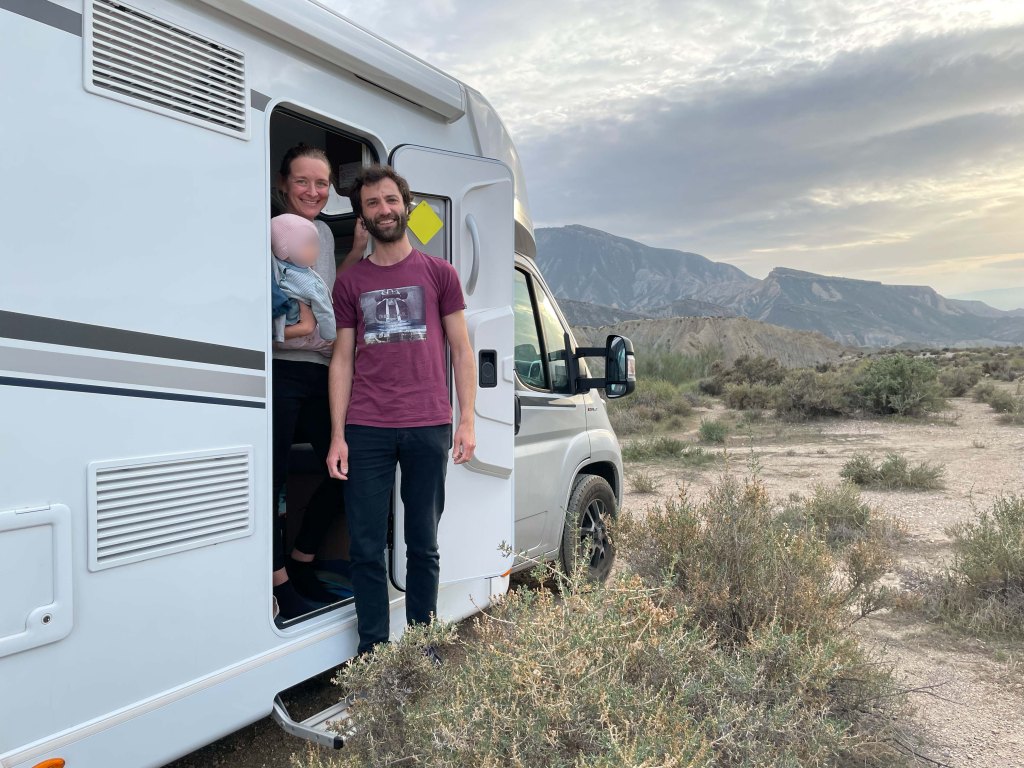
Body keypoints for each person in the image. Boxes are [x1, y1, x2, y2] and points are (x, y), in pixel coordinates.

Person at [327, 164, 476, 657]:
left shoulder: (440, 274)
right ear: (363, 217)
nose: (384, 210)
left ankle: (422, 649)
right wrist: (337, 434)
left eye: (391, 200)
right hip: (366, 427)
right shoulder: (350, 283)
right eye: (372, 203)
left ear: (406, 206)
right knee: (365, 547)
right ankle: (374, 652)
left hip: (428, 423)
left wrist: (467, 419)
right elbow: (342, 359)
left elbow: (462, 350)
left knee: (423, 545)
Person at [271, 144, 368, 620]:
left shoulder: (324, 234)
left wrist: (357, 252)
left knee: (350, 465)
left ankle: (303, 558)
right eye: (302, 181)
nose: (313, 191)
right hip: (279, 370)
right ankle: (279, 584)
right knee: (270, 481)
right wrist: (299, 333)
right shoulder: (269, 232)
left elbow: (323, 292)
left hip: (320, 370)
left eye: (321, 183)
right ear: (282, 184)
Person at [271, 213, 336, 356]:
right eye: (309, 244)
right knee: (332, 346)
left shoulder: (274, 267)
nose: (316, 250)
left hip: (280, 331)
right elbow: (324, 310)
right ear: (287, 250)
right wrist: (330, 335)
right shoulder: (310, 282)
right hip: (296, 334)